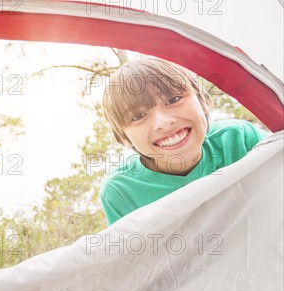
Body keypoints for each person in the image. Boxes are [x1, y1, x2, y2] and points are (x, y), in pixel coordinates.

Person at [100, 57, 269, 225]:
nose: (163, 122)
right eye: (138, 116)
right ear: (124, 137)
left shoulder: (240, 138)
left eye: (173, 100)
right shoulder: (120, 192)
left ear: (202, 101)